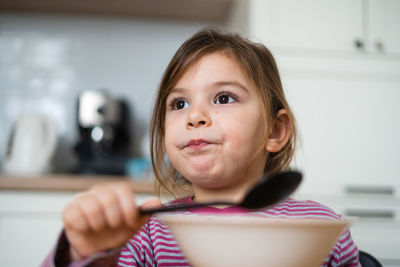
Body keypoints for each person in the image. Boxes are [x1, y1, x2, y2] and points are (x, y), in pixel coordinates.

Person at [42, 27, 360, 267]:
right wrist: (81, 251)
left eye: (223, 98)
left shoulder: (323, 228)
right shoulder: (147, 234)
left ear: (275, 131)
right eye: (179, 103)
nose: (194, 116)